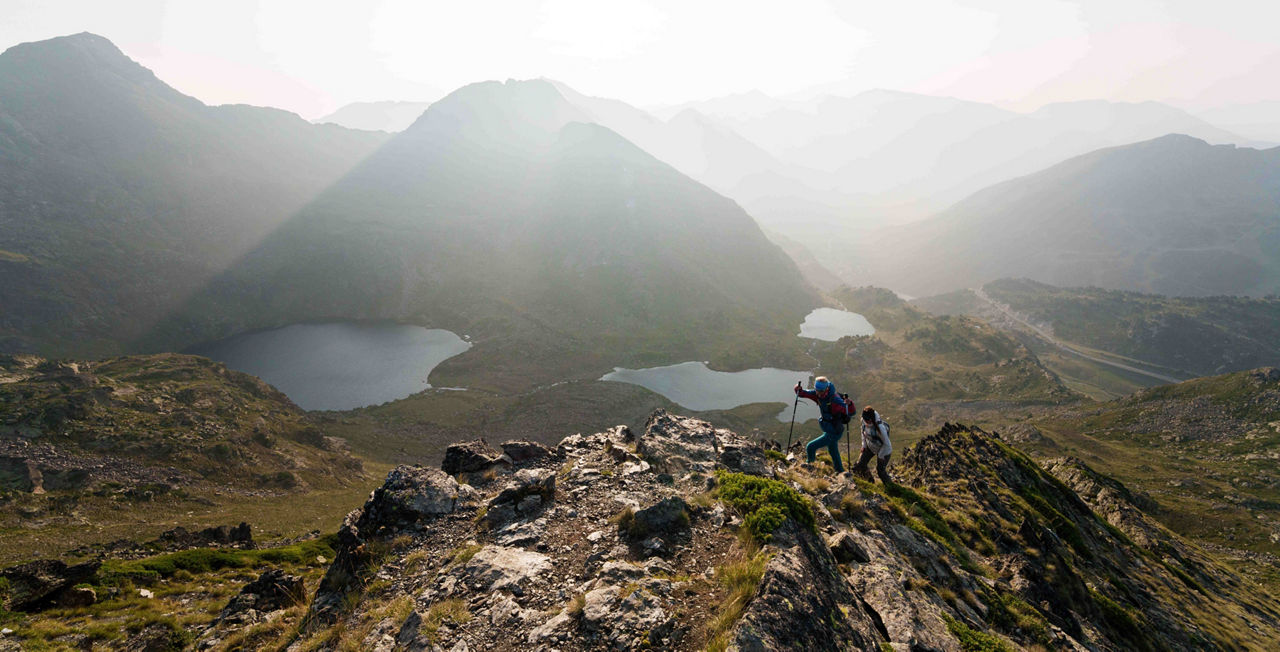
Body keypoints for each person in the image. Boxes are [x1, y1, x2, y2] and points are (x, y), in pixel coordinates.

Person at [794, 376, 854, 473]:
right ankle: (840, 472)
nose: (818, 393)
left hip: (834, 432)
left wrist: (850, 404)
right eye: (816, 390)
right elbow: (802, 393)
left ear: (826, 389)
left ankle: (810, 468)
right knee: (833, 451)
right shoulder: (818, 394)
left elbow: (851, 412)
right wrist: (798, 388)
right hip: (831, 429)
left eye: (821, 391)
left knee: (810, 447)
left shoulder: (835, 399)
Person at [853, 406, 892, 484]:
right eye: (866, 420)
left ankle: (891, 487)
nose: (867, 422)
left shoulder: (880, 428)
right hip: (870, 446)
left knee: (880, 471)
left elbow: (887, 445)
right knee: (860, 465)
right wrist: (864, 445)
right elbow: (863, 432)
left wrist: (881, 456)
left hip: (884, 451)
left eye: (869, 420)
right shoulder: (863, 420)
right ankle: (870, 482)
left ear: (872, 418)